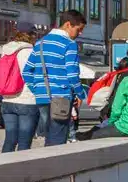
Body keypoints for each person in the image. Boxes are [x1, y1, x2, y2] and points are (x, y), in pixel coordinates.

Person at [22, 10, 87, 146]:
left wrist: (38, 90)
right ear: (68, 24)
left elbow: (27, 72)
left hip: (42, 97)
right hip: (61, 97)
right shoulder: (69, 44)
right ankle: (53, 166)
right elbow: (72, 74)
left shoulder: (40, 43)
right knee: (58, 139)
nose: (80, 33)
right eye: (79, 29)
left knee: (49, 135)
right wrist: (81, 94)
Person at [0, 31, 46, 152]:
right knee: (24, 142)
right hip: (26, 101)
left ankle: (3, 167)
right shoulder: (29, 52)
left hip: (7, 100)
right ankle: (21, 169)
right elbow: (31, 75)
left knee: (10, 139)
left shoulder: (5, 52)